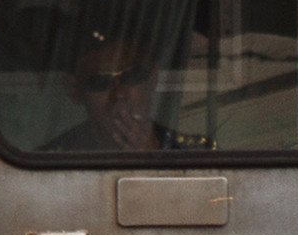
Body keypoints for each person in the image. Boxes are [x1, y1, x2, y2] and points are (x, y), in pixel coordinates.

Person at [39, 20, 187, 156]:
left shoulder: (194, 154)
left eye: (132, 76)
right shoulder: (48, 160)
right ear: (75, 89)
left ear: (153, 78)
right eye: (101, 82)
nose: (119, 94)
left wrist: (156, 159)